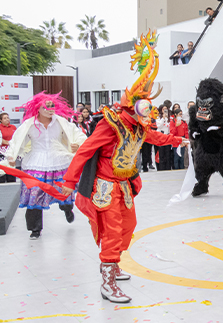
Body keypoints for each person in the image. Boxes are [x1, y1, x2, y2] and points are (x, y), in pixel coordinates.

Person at [59, 35, 186, 303]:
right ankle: (107, 282)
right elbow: (85, 150)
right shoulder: (112, 124)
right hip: (105, 187)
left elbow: (154, 138)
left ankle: (114, 263)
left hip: (124, 185)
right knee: (113, 231)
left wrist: (177, 139)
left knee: (129, 226)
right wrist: (69, 182)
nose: (148, 116)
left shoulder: (138, 126)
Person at [1, 93, 86, 240]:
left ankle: (67, 209)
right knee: (34, 195)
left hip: (58, 161)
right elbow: (17, 141)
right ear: (38, 108)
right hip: (35, 162)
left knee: (64, 192)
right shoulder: (29, 124)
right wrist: (12, 156)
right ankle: (35, 229)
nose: (50, 109)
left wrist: (76, 145)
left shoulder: (61, 122)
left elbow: (77, 135)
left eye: (52, 105)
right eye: (46, 106)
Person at [0, 112, 17, 183]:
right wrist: (8, 143)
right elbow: (0, 139)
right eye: (5, 118)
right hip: (2, 152)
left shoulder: (13, 127)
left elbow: (16, 138)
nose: (7, 119)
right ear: (0, 120)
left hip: (12, 152)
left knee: (11, 172)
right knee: (2, 173)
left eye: (8, 117)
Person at [156, 105, 172, 171]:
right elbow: (159, 126)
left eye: (166, 109)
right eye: (163, 109)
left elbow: (170, 126)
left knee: (168, 153)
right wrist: (163, 118)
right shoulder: (158, 117)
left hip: (167, 136)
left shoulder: (170, 118)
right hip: (161, 136)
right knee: (161, 153)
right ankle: (161, 168)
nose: (165, 111)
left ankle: (168, 167)